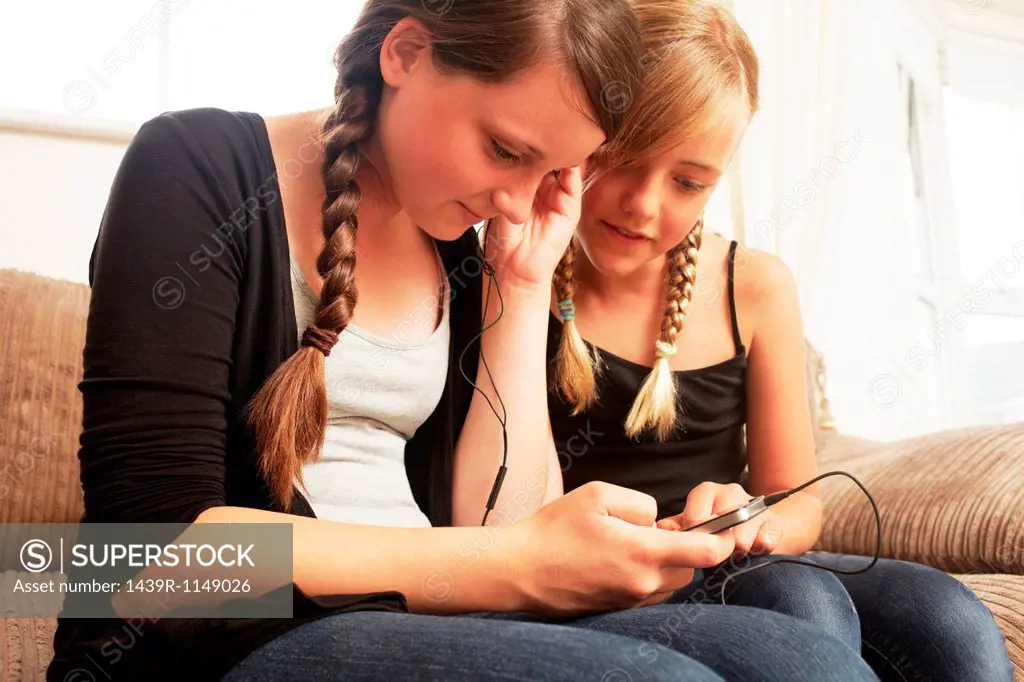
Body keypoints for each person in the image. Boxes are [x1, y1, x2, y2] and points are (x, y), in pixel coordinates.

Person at [48, 1, 882, 681]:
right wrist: (514, 561)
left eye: (551, 171)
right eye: (505, 150)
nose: (518, 203)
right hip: (236, 642)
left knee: (799, 659)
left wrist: (519, 294)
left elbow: (494, 522)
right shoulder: (194, 163)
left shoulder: (462, 242)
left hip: (424, 615)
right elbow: (137, 563)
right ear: (406, 52)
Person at [545, 1, 1016, 681]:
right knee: (798, 598)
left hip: (724, 556)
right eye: (622, 158)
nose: (644, 205)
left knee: (947, 616)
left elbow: (797, 500)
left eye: (688, 182)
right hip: (605, 574)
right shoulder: (518, 272)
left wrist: (749, 523)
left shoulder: (756, 287)